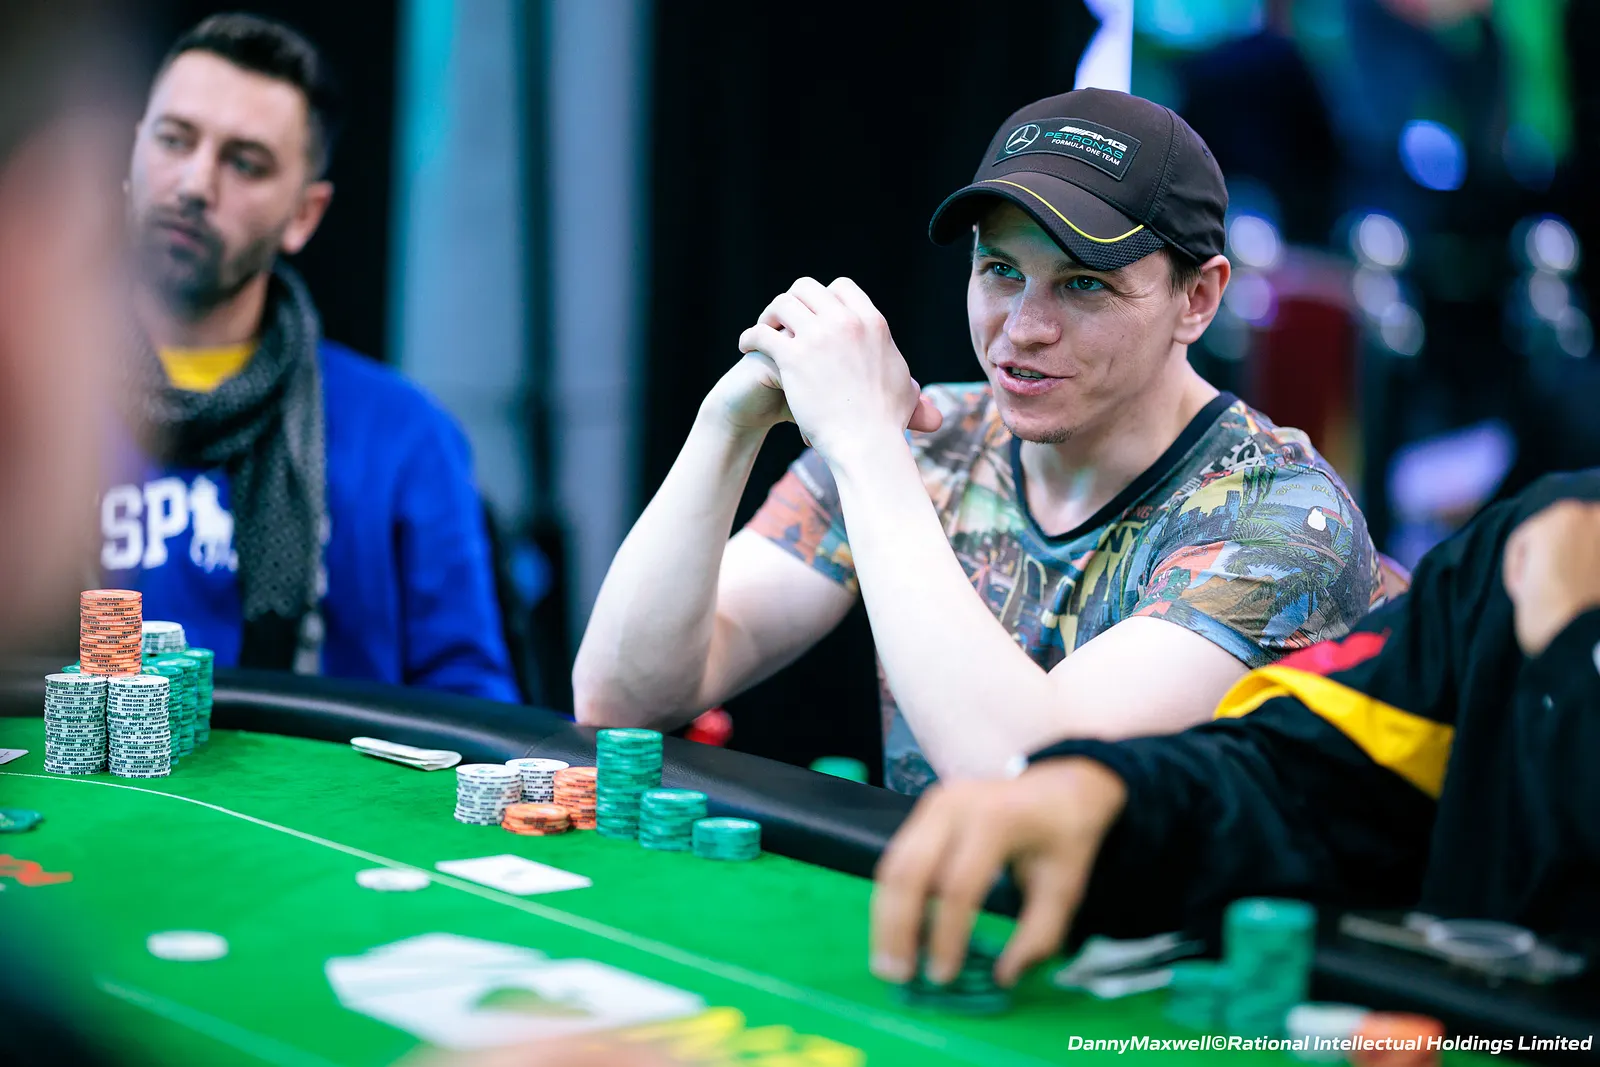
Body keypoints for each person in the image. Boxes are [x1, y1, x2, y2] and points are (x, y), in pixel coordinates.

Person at [574, 88, 1384, 794]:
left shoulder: (1284, 521)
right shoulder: (932, 440)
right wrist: (726, 423)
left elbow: (1028, 778)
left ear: (1197, 299)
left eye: (1084, 283)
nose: (1023, 329)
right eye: (1000, 270)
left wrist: (865, 446)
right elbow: (623, 699)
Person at [869, 471, 1600, 989]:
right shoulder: (1545, 538)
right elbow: (1301, 778)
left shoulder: (1289, 508)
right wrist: (1110, 791)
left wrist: (1570, 641)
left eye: (1088, 300)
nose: (1030, 327)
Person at [107, 13, 518, 701]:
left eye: (245, 162)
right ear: (129, 157)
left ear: (304, 214)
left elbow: (474, 714)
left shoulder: (403, 436)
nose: (195, 184)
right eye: (174, 140)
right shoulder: (28, 397)